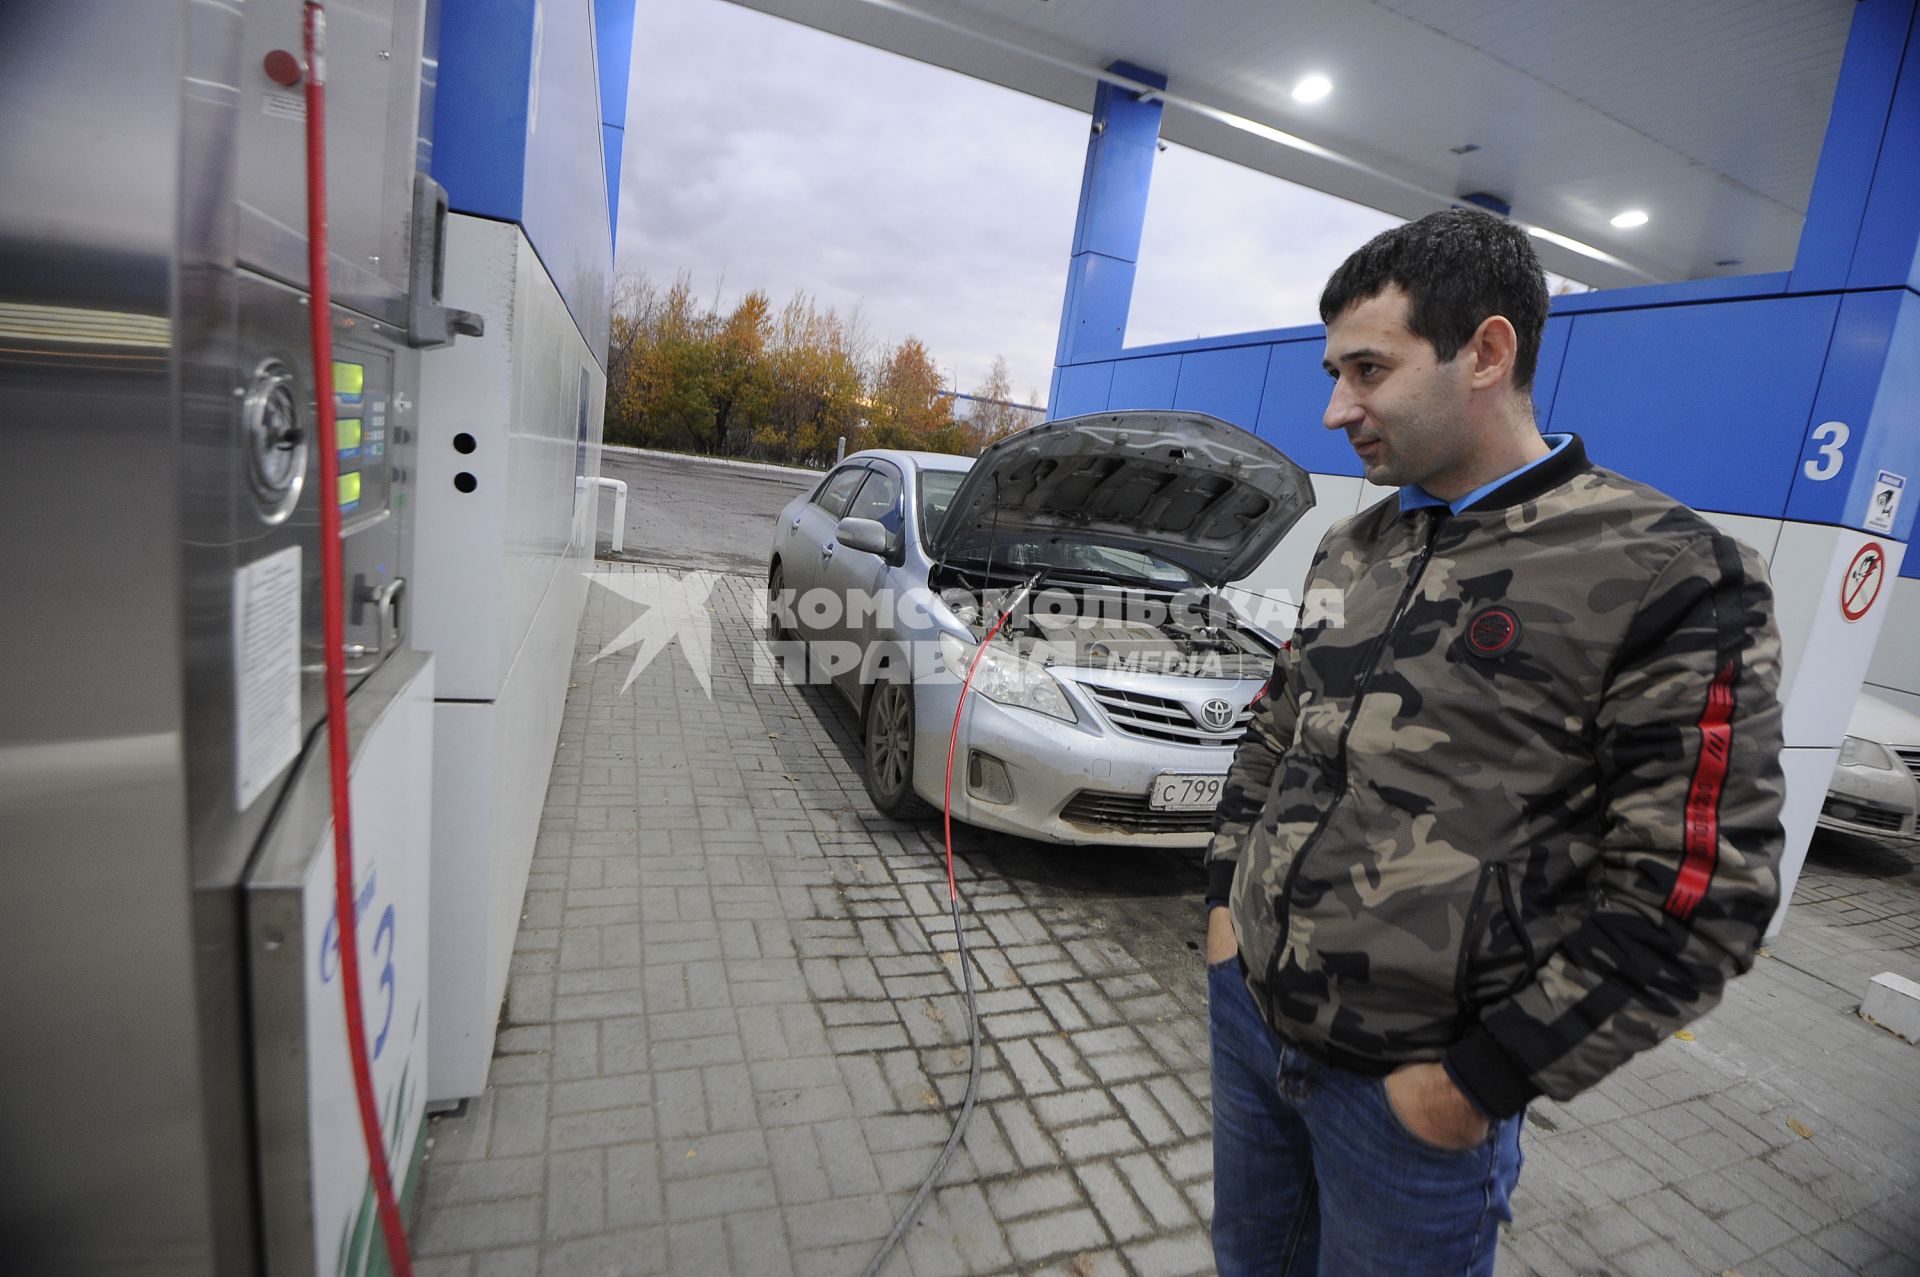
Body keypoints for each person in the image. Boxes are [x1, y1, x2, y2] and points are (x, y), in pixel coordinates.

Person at [1202, 208, 1786, 1276]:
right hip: (1250, 1021)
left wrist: (1479, 1079)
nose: (1337, 409)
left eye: (1368, 369)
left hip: (1411, 1102)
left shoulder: (1668, 571)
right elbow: (1279, 726)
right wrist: (1220, 911)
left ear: (1487, 350)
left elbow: (1700, 892)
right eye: (1335, 370)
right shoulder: (1355, 543)